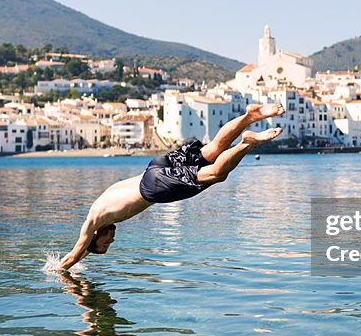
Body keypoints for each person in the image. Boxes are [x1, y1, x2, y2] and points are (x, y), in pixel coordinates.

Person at [57, 102, 285, 269]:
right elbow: (85, 249)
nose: (112, 241)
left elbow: (75, 254)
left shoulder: (93, 222)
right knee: (214, 150)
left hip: (152, 187)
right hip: (153, 168)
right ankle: (250, 115)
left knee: (216, 174)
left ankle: (247, 143)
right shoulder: (101, 204)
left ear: (95, 237)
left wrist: (56, 270)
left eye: (105, 244)